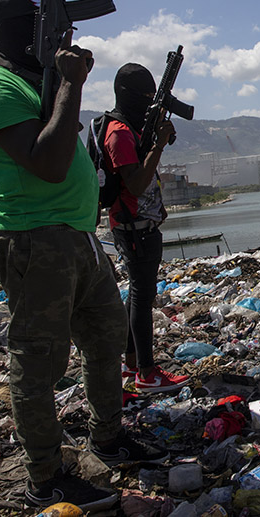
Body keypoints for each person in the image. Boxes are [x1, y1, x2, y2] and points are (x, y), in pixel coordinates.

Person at [0, 0, 166, 510]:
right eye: (48, 29)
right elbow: (48, 164)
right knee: (39, 362)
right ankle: (45, 475)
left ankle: (108, 438)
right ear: (20, 33)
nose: (60, 40)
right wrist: (71, 84)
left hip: (76, 238)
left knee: (106, 337)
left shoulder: (37, 85)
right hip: (33, 240)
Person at [100, 63, 189, 394]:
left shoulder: (132, 130)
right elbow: (135, 184)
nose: (151, 100)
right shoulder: (119, 133)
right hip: (133, 226)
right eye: (146, 95)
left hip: (142, 224)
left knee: (139, 294)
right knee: (142, 295)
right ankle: (147, 373)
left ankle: (133, 362)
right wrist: (160, 143)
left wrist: (157, 136)